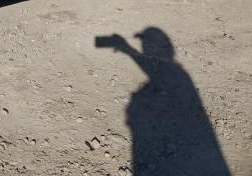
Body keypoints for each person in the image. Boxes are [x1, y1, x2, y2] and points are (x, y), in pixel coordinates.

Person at [96, 27, 231, 176]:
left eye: (146, 43)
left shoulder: (177, 74)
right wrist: (127, 50)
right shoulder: (179, 74)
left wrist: (127, 50)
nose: (145, 47)